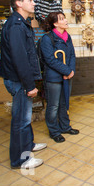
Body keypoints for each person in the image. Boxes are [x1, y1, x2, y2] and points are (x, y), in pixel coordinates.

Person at [0, 0, 46, 170]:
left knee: (24, 118)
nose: (34, 3)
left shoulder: (20, 23)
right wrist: (29, 85)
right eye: (31, 0)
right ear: (19, 3)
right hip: (19, 81)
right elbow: (20, 59)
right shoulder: (16, 26)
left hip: (21, 80)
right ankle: (21, 160)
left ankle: (29, 146)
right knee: (21, 121)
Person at [39, 11, 78, 143]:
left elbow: (72, 55)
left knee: (64, 103)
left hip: (67, 76)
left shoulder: (68, 37)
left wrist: (71, 71)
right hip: (53, 78)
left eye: (64, 18)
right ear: (55, 23)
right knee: (53, 105)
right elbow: (50, 60)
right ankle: (54, 131)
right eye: (62, 19)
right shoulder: (47, 39)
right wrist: (67, 71)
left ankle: (65, 127)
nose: (66, 20)